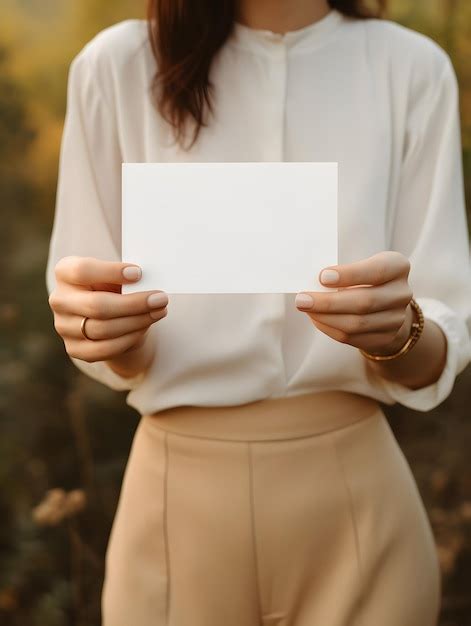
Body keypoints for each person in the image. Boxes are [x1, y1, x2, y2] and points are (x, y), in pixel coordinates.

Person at [45, 0, 471, 624]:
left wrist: (400, 333)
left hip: (358, 510)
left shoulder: (409, 68)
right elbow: (109, 333)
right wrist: (109, 333)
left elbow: (438, 334)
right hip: (174, 512)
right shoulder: (115, 67)